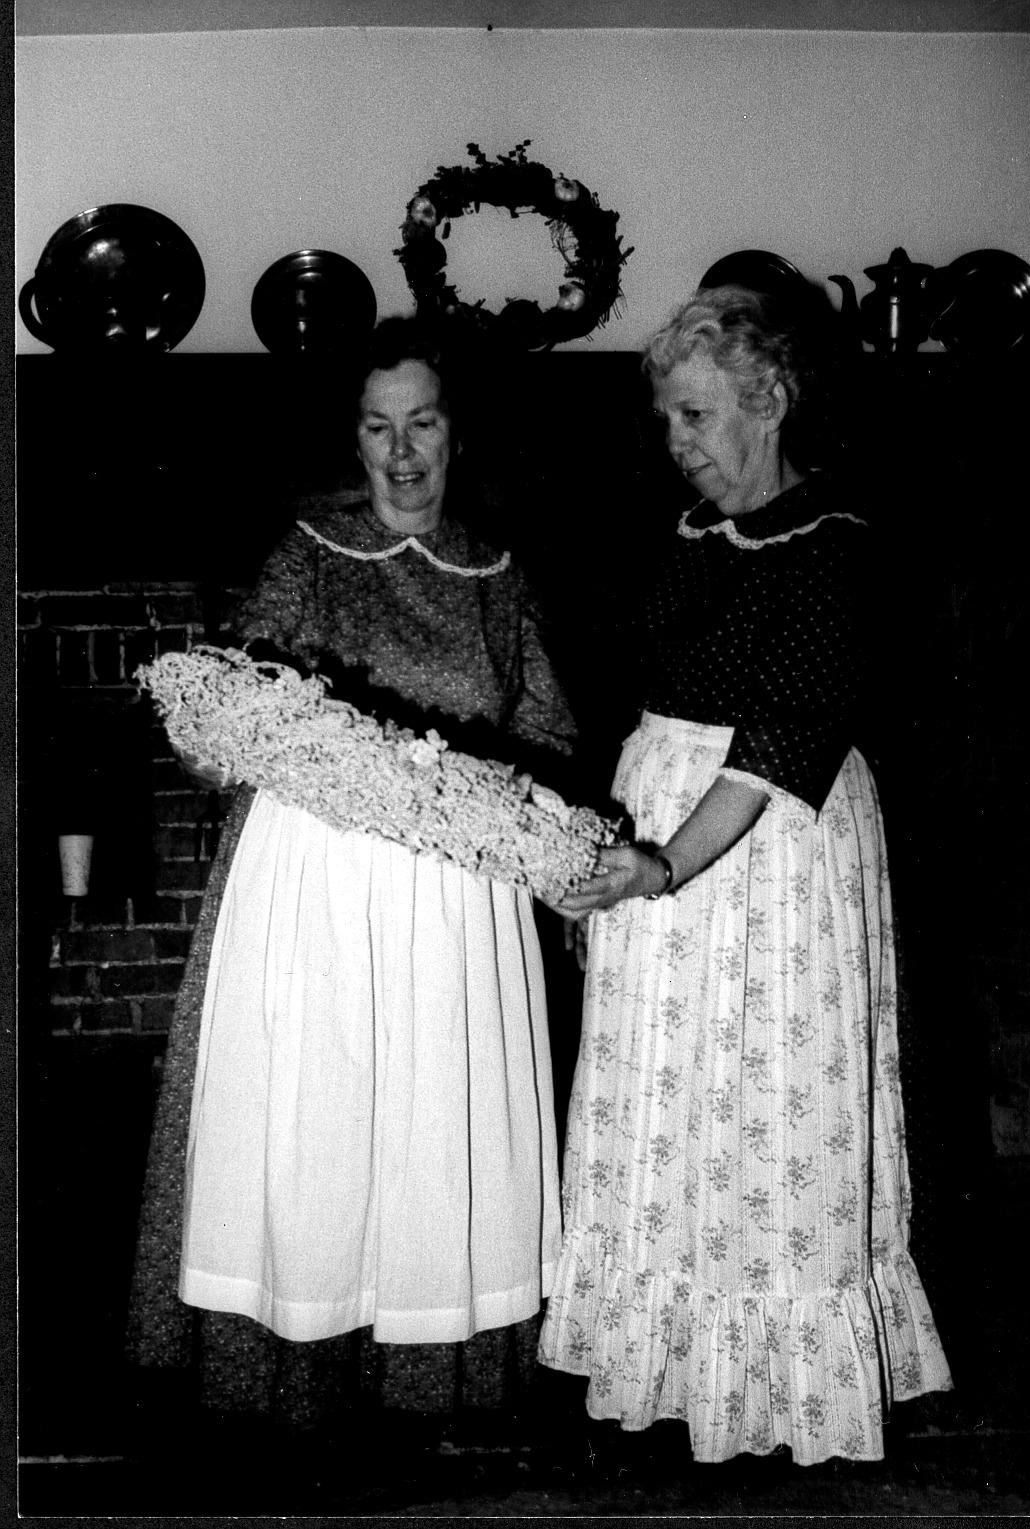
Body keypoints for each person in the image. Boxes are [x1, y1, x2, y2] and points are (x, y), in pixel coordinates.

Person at [127, 316, 576, 1440]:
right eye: (379, 427)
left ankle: (433, 1370)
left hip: (453, 889)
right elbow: (231, 714)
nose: (402, 451)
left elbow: (549, 732)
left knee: (438, 1122)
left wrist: (505, 801)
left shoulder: (500, 574)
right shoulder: (309, 552)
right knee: (313, 1116)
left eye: (422, 421)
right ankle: (292, 1356)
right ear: (355, 438)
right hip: (314, 881)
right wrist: (237, 735)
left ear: (457, 432)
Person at [537, 284, 952, 1466]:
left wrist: (662, 861)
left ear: (768, 399)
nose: (678, 442)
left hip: (766, 852)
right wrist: (606, 848)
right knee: (670, 1093)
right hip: (661, 838)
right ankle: (671, 1363)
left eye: (697, 414)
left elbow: (781, 742)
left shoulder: (837, 545)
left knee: (764, 1092)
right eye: (668, 418)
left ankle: (780, 1390)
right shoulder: (686, 534)